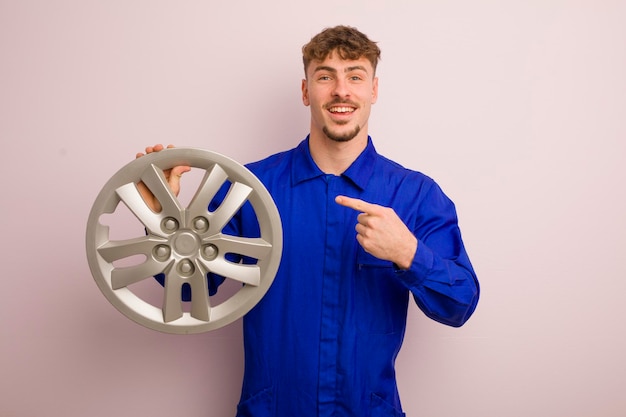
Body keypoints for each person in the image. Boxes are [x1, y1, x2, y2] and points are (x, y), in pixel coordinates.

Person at [138, 25, 479, 417]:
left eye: (355, 76)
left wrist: (408, 253)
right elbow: (189, 289)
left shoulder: (416, 195)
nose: (341, 91)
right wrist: (161, 218)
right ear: (306, 92)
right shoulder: (250, 189)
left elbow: (460, 305)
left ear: (373, 90)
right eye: (325, 76)